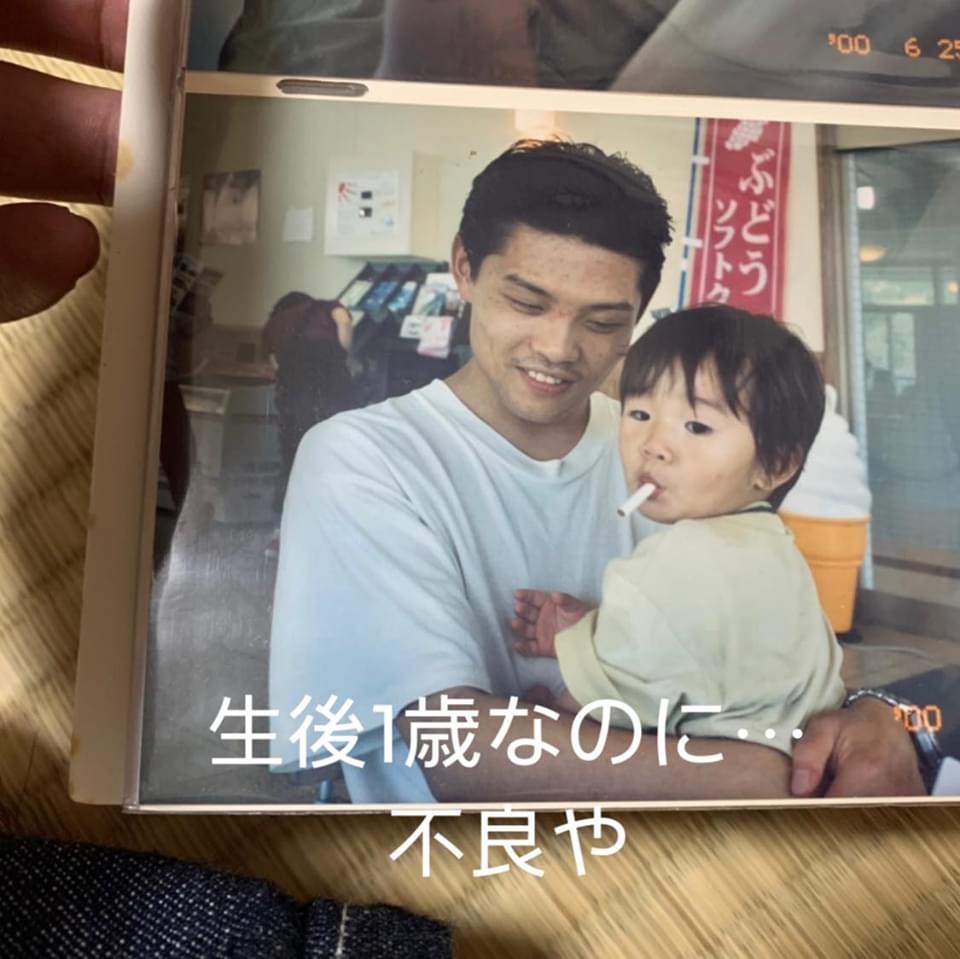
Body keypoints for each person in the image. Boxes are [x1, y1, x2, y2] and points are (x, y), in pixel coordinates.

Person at [270, 138, 923, 804]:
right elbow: (460, 752)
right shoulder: (364, 458)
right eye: (527, 303)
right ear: (464, 268)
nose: (558, 347)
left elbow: (766, 661)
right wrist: (771, 774)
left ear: (638, 314)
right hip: (465, 858)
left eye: (603, 320)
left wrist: (870, 717)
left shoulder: (669, 452)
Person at [511, 305, 845, 753]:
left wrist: (544, 712)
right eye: (639, 414)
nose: (654, 446)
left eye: (696, 426)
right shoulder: (779, 555)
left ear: (775, 464)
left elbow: (599, 718)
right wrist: (596, 634)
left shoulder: (675, 561)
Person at [261, 291, 354, 511]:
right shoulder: (325, 306)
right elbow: (344, 321)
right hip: (329, 378)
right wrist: (344, 352)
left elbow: (274, 363)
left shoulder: (273, 324)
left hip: (294, 384)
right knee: (333, 439)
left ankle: (286, 506)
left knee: (293, 444)